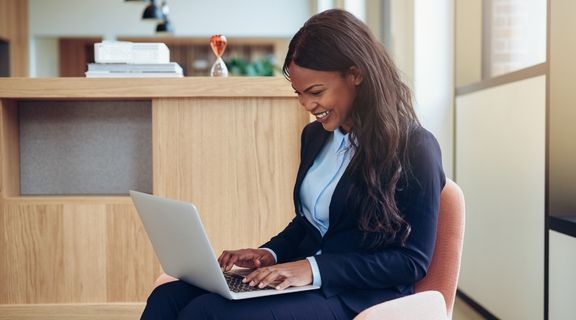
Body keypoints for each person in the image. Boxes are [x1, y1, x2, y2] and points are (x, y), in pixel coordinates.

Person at [140, 8, 445, 320]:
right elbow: (308, 223)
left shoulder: (415, 148)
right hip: (305, 282)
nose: (307, 105)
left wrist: (311, 269)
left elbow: (411, 261)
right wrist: (268, 254)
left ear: (356, 74)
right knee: (168, 297)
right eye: (299, 94)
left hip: (358, 294)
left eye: (316, 92)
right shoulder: (315, 136)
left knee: (209, 313)